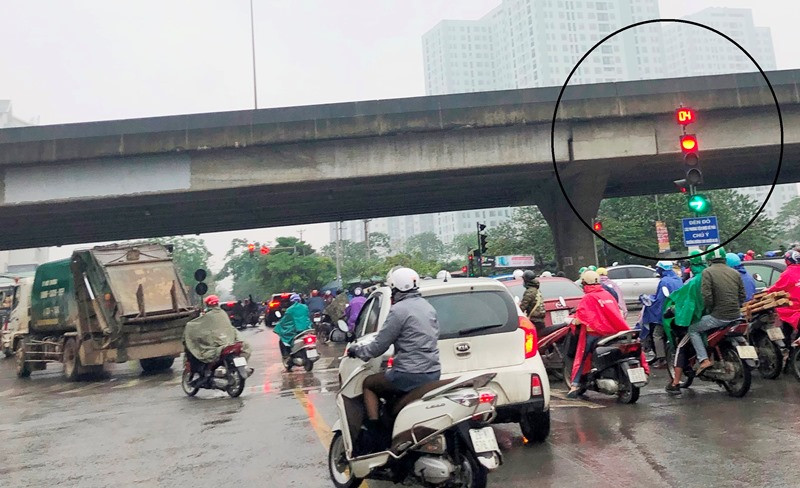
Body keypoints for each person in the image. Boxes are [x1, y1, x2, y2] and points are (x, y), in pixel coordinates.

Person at [347, 267, 441, 454]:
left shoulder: (398, 311)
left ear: (395, 289)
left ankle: (375, 433)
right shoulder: (427, 307)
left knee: (369, 384)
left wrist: (358, 351)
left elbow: (379, 346)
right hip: (433, 372)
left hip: (408, 374)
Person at [666, 247, 744, 394]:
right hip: (736, 315)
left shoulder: (699, 278)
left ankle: (697, 365)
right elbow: (742, 295)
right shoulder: (734, 272)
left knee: (692, 331)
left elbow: (699, 299)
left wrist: (709, 310)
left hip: (717, 317)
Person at [567, 270, 632, 398]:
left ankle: (574, 385)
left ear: (585, 283)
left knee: (581, 357)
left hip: (594, 334)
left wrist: (571, 321)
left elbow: (582, 317)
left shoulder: (588, 298)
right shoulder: (607, 294)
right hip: (613, 332)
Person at [183, 295, 252, 385]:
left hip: (218, 344)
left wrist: (189, 326)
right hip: (229, 341)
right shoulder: (222, 313)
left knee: (201, 352)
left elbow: (196, 326)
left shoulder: (208, 315)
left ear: (208, 304)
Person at [640, 261, 683, 368]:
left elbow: (660, 300)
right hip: (679, 311)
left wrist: (647, 299)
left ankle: (661, 358)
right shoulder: (678, 279)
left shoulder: (664, 281)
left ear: (662, 269)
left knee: (657, 335)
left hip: (667, 313)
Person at [764, 249, 800, 340]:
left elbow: (778, 287)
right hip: (795, 306)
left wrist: (767, 291)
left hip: (793, 307)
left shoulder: (788, 273)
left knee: (786, 330)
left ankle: (787, 344)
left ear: (788, 260)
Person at [274, 293, 312, 366]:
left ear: (291, 301)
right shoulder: (305, 307)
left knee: (283, 339)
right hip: (307, 329)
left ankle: (286, 355)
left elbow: (285, 320)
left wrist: (279, 326)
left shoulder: (290, 310)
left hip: (295, 331)